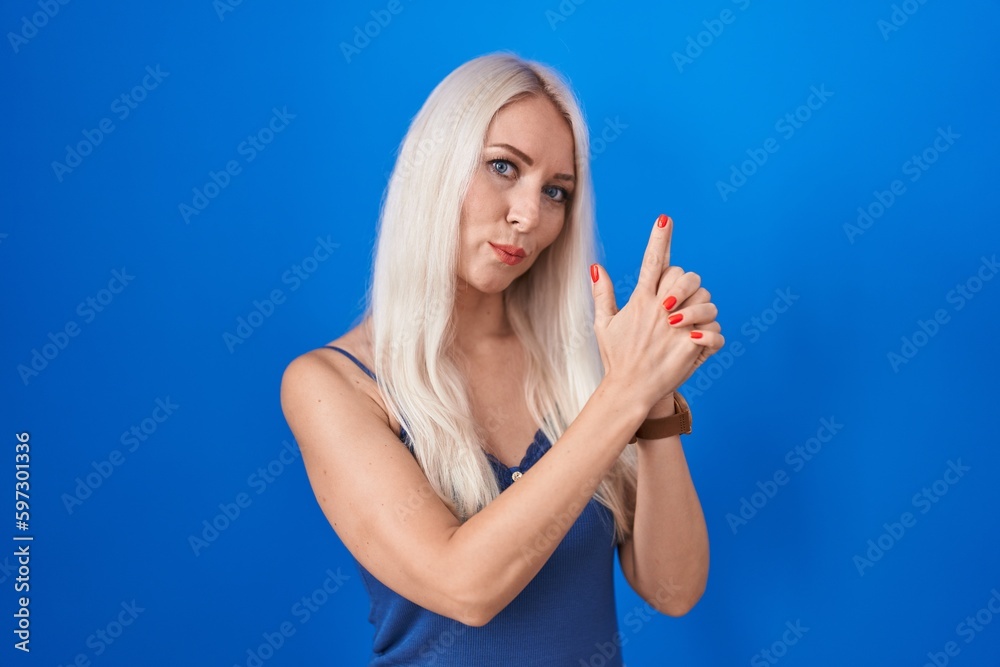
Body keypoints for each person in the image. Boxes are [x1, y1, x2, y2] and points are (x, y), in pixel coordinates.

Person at [280, 52, 724, 665]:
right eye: (501, 167)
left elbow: (673, 590)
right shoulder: (330, 384)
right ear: (433, 168)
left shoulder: (583, 367)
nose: (528, 216)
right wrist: (624, 391)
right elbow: (466, 587)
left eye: (555, 192)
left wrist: (654, 393)